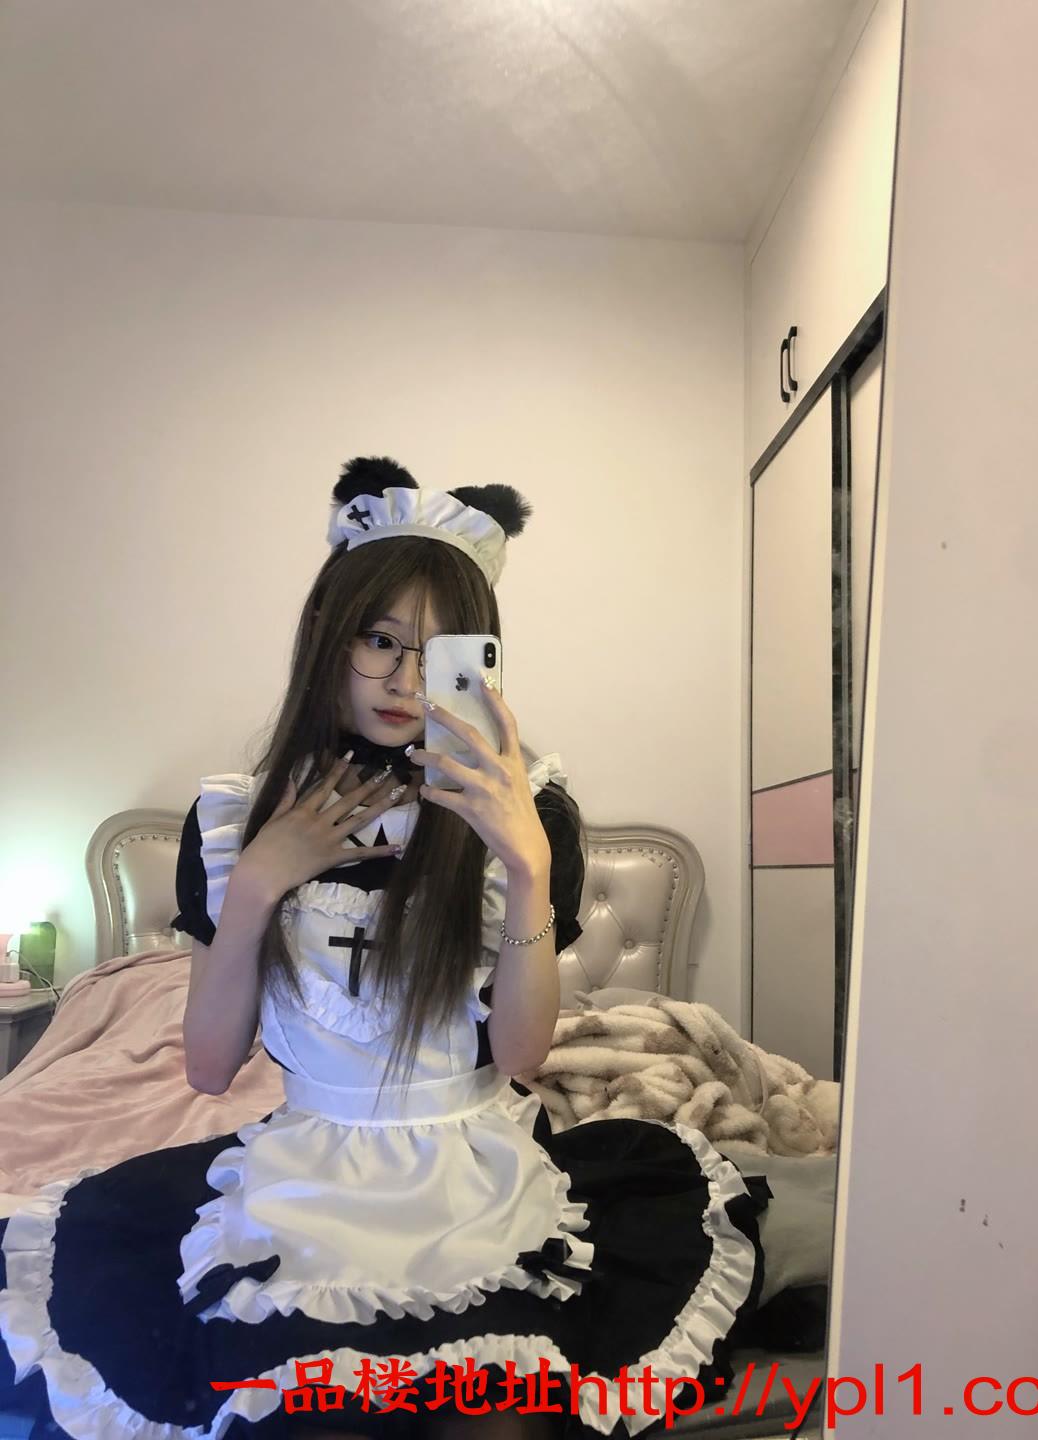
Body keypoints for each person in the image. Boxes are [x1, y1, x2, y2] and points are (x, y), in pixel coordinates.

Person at [0, 457, 769, 1440]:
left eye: (440, 653)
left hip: (475, 1177)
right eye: (380, 641)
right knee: (300, 1416)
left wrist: (525, 863)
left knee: (499, 1418)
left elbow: (522, 1056)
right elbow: (207, 1068)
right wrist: (261, 884)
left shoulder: (529, 817)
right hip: (304, 1179)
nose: (406, 680)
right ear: (330, 634)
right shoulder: (236, 822)